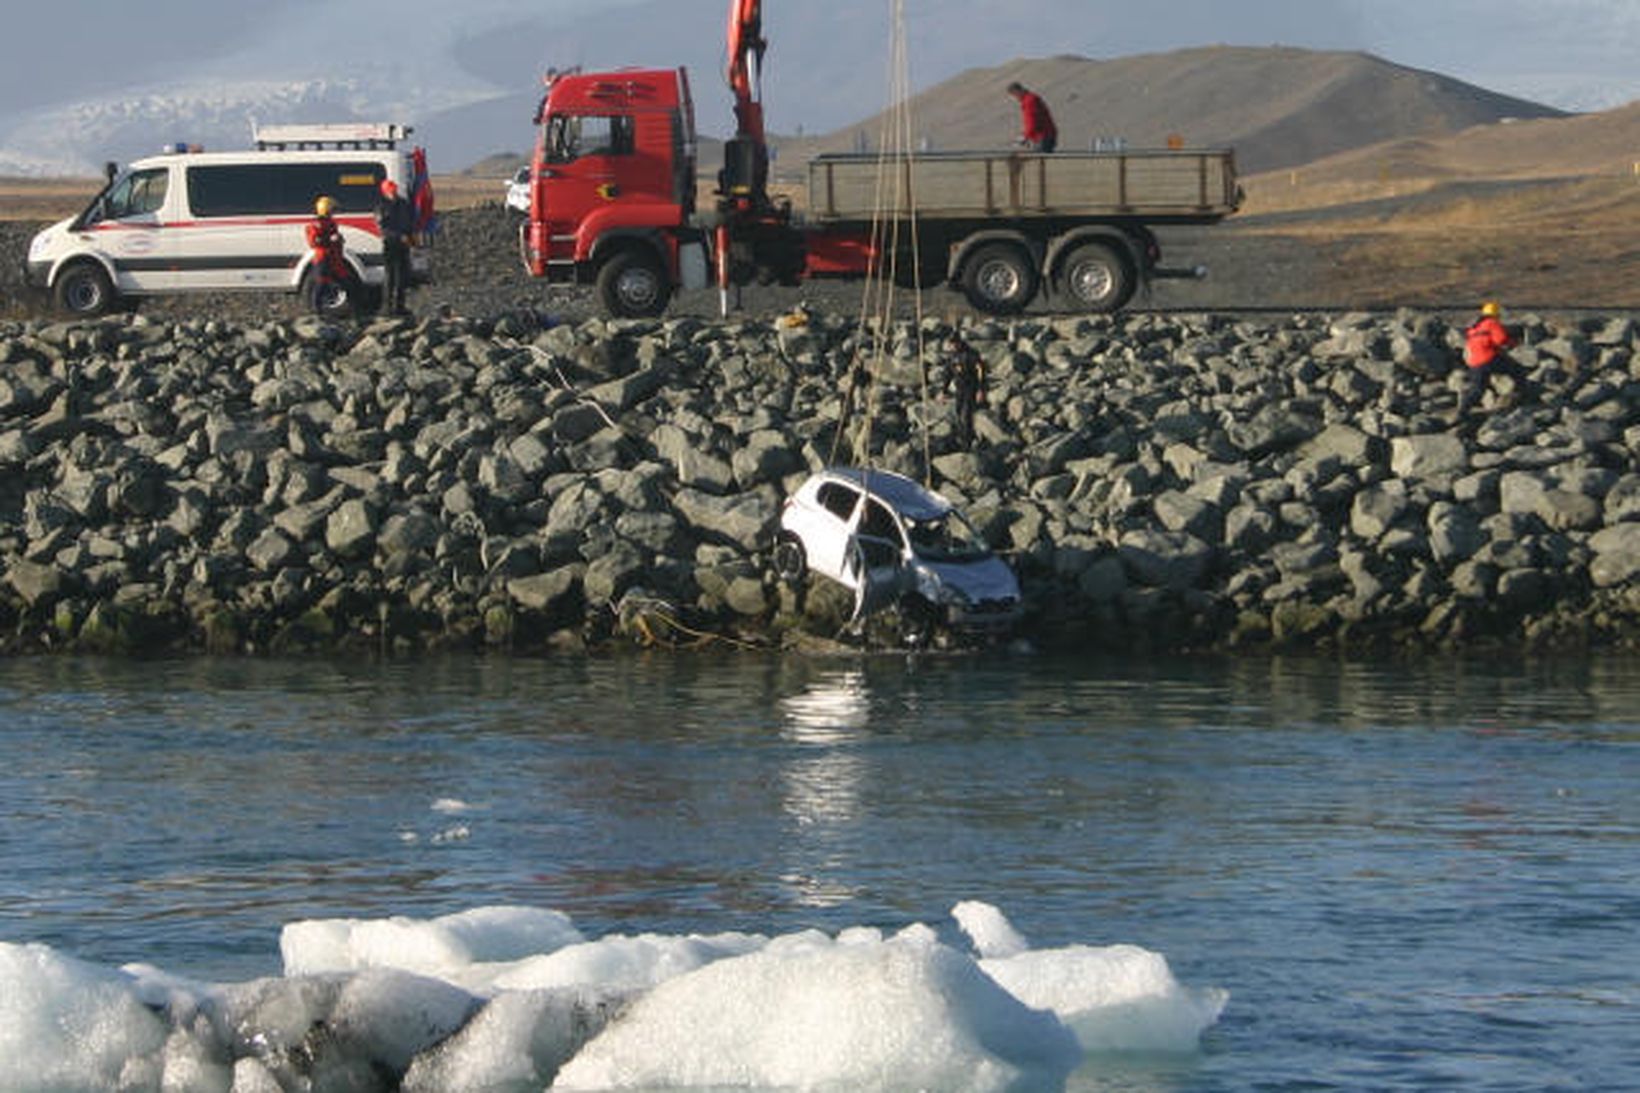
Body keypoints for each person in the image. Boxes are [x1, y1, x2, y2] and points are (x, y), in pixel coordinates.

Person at [1456, 300, 1527, 416]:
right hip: (1489, 359)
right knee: (1518, 370)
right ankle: (1520, 397)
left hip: (1474, 362)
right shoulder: (1492, 323)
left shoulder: (1474, 327)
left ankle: (1463, 410)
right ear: (1495, 314)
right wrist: (1513, 343)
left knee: (1478, 388)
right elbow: (1501, 339)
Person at [305, 195, 363, 319]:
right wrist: (330, 239)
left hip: (336, 259)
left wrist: (338, 240)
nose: (333, 212)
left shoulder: (331, 223)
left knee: (348, 283)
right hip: (324, 258)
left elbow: (334, 238)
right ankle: (316, 312)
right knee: (321, 284)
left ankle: (355, 312)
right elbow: (314, 242)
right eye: (331, 210)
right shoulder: (316, 224)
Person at [375, 178, 415, 315]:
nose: (393, 193)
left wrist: (410, 238)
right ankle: (386, 307)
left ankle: (399, 306)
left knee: (401, 277)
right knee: (390, 276)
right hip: (390, 244)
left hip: (403, 245)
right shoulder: (381, 206)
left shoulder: (403, 204)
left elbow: (409, 222)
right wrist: (399, 236)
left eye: (394, 190)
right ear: (385, 191)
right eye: (390, 190)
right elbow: (382, 228)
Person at [943, 332, 987, 449]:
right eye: (951, 344)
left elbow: (981, 372)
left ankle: (967, 442)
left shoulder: (971, 354)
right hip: (959, 389)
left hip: (971, 388)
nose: (952, 346)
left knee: (966, 415)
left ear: (959, 342)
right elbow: (948, 374)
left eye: (954, 343)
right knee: (958, 413)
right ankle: (962, 438)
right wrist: (943, 391)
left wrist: (981, 390)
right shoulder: (952, 356)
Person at [1007, 81, 1057, 153]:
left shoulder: (1029, 101)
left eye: (1013, 96)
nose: (1015, 99)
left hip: (1043, 136)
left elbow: (1031, 121)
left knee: (1038, 159)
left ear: (1017, 92)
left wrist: (1025, 136)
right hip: (1044, 136)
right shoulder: (1030, 99)